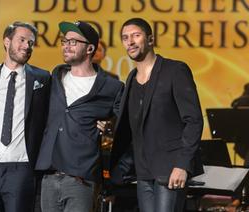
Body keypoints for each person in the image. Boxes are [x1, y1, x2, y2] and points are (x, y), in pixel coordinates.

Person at [110, 18, 204, 212]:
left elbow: (193, 120)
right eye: (125, 38)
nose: (130, 42)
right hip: (143, 172)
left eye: (136, 35)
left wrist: (182, 165)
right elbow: (132, 125)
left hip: (170, 169)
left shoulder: (175, 70)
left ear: (150, 39)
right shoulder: (131, 79)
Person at [35, 21, 123, 212]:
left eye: (73, 42)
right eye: (64, 41)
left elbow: (120, 131)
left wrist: (109, 128)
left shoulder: (112, 87)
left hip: (81, 179)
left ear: (90, 48)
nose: (66, 45)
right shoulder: (53, 78)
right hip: (48, 176)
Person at [0, 21, 51, 212]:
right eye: (22, 40)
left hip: (21, 171)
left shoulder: (43, 79)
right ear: (7, 41)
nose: (27, 46)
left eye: (31, 43)